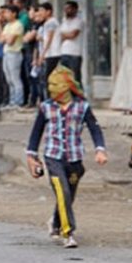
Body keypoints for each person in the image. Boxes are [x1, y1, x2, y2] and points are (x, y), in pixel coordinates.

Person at [25, 65, 108, 249]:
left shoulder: (82, 107)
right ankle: (68, 232)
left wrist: (100, 149)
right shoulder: (46, 107)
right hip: (53, 156)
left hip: (75, 159)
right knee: (62, 190)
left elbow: (95, 129)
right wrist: (31, 155)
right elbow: (36, 132)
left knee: (68, 195)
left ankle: (55, 222)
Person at [0, 4, 25, 107]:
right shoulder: (7, 26)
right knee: (8, 78)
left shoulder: (18, 25)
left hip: (14, 53)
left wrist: (6, 37)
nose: (5, 15)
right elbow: (1, 40)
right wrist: (6, 37)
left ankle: (18, 101)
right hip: (6, 53)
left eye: (8, 12)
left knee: (15, 78)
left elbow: (10, 41)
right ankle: (12, 100)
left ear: (14, 13)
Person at [58, 1, 84, 84]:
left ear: (75, 9)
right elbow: (59, 35)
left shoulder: (79, 21)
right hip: (64, 52)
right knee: (65, 77)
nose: (66, 10)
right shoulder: (64, 21)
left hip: (75, 53)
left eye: (69, 8)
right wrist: (66, 35)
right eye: (65, 9)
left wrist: (64, 35)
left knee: (76, 77)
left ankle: (78, 96)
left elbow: (73, 35)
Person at [36, 2, 61, 83]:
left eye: (42, 10)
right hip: (49, 54)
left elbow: (49, 39)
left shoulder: (51, 22)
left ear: (49, 11)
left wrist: (42, 55)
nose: (40, 13)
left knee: (49, 79)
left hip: (53, 54)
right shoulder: (47, 23)